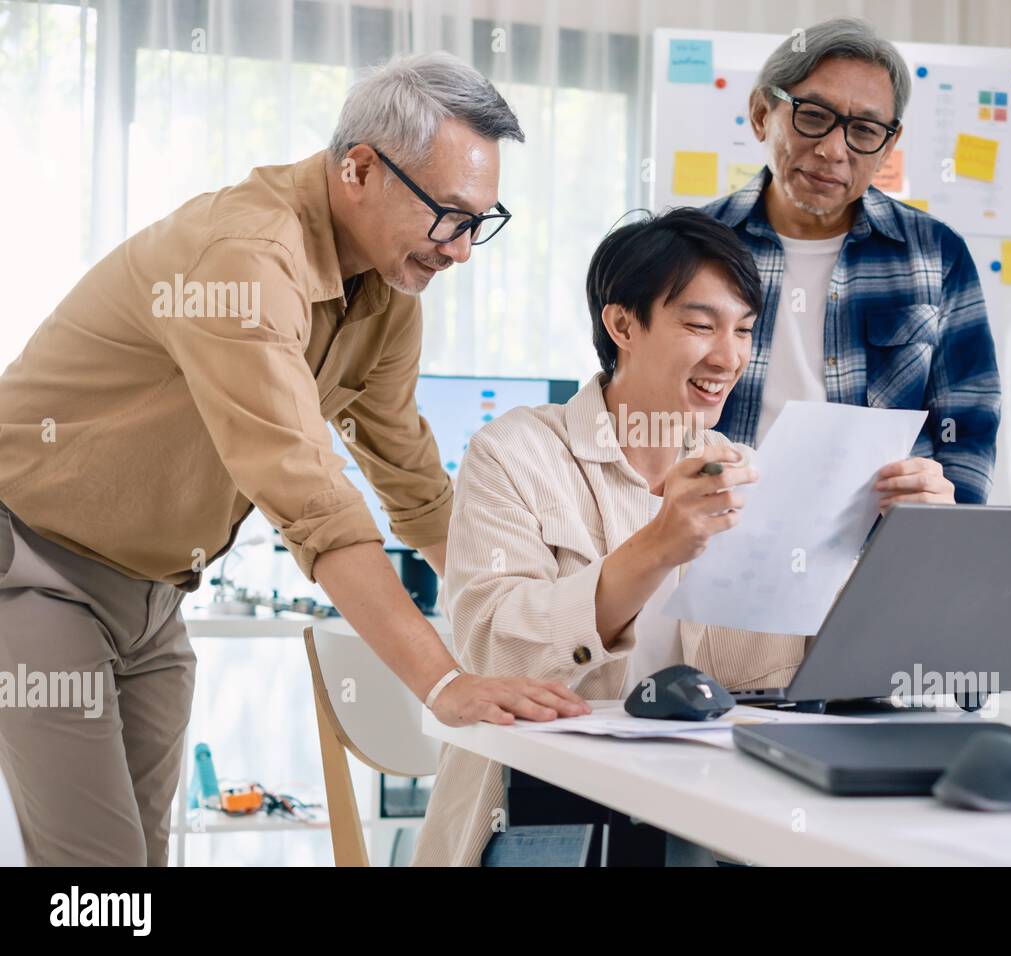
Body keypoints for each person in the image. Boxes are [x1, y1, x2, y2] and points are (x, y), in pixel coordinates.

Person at [0, 52, 586, 867]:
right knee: (94, 873)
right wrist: (445, 684)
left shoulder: (388, 290)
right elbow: (307, 489)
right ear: (359, 169)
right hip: (31, 562)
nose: (462, 252)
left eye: (480, 221)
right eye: (449, 217)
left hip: (153, 593)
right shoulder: (241, 258)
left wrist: (526, 626)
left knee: (138, 869)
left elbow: (410, 479)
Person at [411, 208, 810, 867]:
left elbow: (799, 681)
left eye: (743, 330)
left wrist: (885, 539)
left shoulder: (744, 476)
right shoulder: (513, 453)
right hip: (547, 819)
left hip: (709, 820)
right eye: (700, 325)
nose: (730, 356)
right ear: (622, 324)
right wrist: (658, 546)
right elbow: (494, 650)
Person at [701, 17, 1001, 507]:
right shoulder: (692, 248)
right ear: (761, 113)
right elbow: (642, 406)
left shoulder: (936, 254)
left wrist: (946, 519)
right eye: (814, 115)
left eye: (863, 129)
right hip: (713, 537)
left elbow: (970, 422)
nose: (833, 150)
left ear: (888, 144)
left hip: (881, 551)